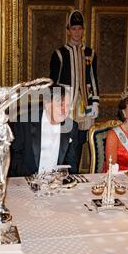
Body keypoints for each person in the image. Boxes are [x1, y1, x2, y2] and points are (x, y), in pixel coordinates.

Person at [49, 10, 99, 169]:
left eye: (80, 29)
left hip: (85, 104)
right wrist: (56, 106)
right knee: (68, 140)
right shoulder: (60, 53)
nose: (77, 32)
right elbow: (53, 82)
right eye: (74, 29)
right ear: (68, 31)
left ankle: (75, 173)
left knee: (81, 140)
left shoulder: (90, 53)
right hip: (67, 105)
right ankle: (67, 173)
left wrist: (95, 101)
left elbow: (93, 77)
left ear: (83, 31)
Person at [9, 85, 79, 177]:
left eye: (67, 105)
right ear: (47, 104)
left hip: (58, 184)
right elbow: (15, 158)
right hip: (27, 182)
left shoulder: (71, 126)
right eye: (60, 104)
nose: (65, 110)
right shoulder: (24, 122)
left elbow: (71, 162)